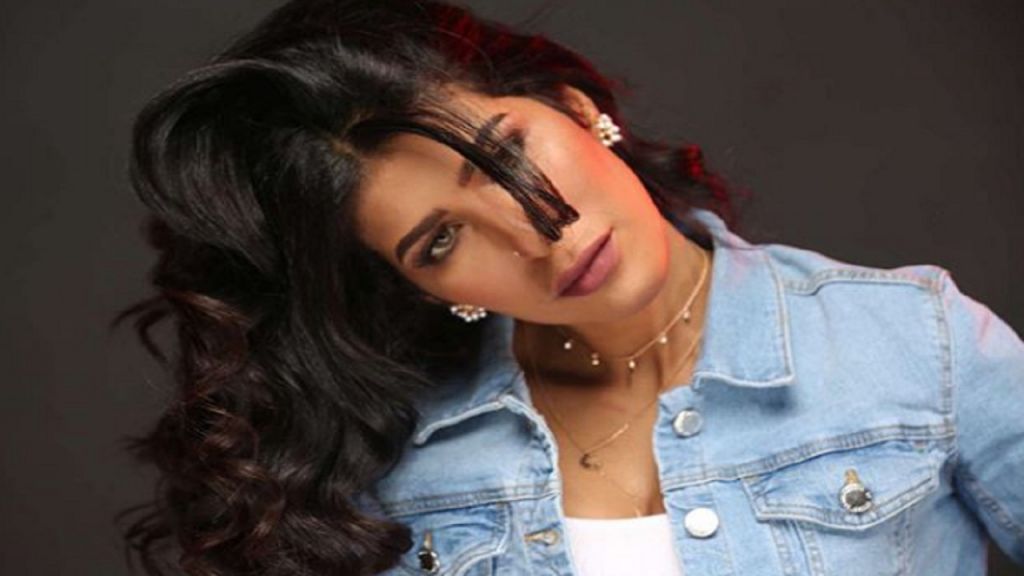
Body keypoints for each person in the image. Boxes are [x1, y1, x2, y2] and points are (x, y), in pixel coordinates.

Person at [113, 0, 1024, 575]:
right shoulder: (401, 460)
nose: (533, 233)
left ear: (577, 108)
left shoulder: (918, 342)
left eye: (504, 156)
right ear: (422, 288)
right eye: (440, 241)